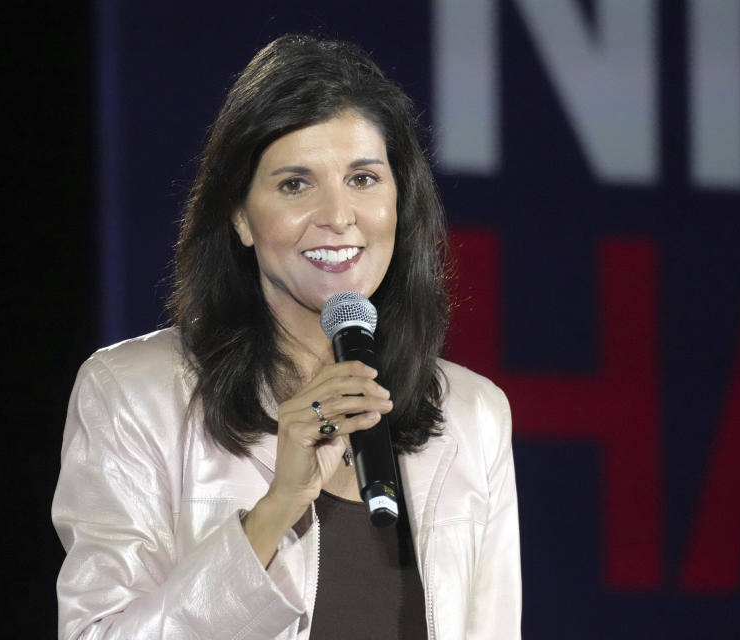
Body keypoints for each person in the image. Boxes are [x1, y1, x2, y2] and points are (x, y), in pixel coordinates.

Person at [52, 34, 521, 639]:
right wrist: (276, 510)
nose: (338, 215)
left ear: (400, 205)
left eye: (363, 178)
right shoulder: (134, 395)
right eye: (295, 184)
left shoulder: (471, 416)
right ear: (241, 217)